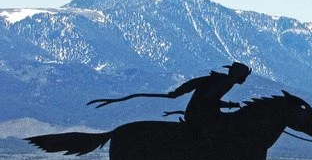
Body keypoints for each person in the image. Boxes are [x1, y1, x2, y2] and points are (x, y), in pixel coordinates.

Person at [87, 62, 252, 127]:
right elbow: (209, 100)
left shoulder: (222, 80)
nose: (244, 80)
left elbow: (194, 84)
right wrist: (230, 105)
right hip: (200, 114)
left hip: (205, 112)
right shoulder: (223, 82)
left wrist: (177, 93)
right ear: (237, 74)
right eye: (243, 77)